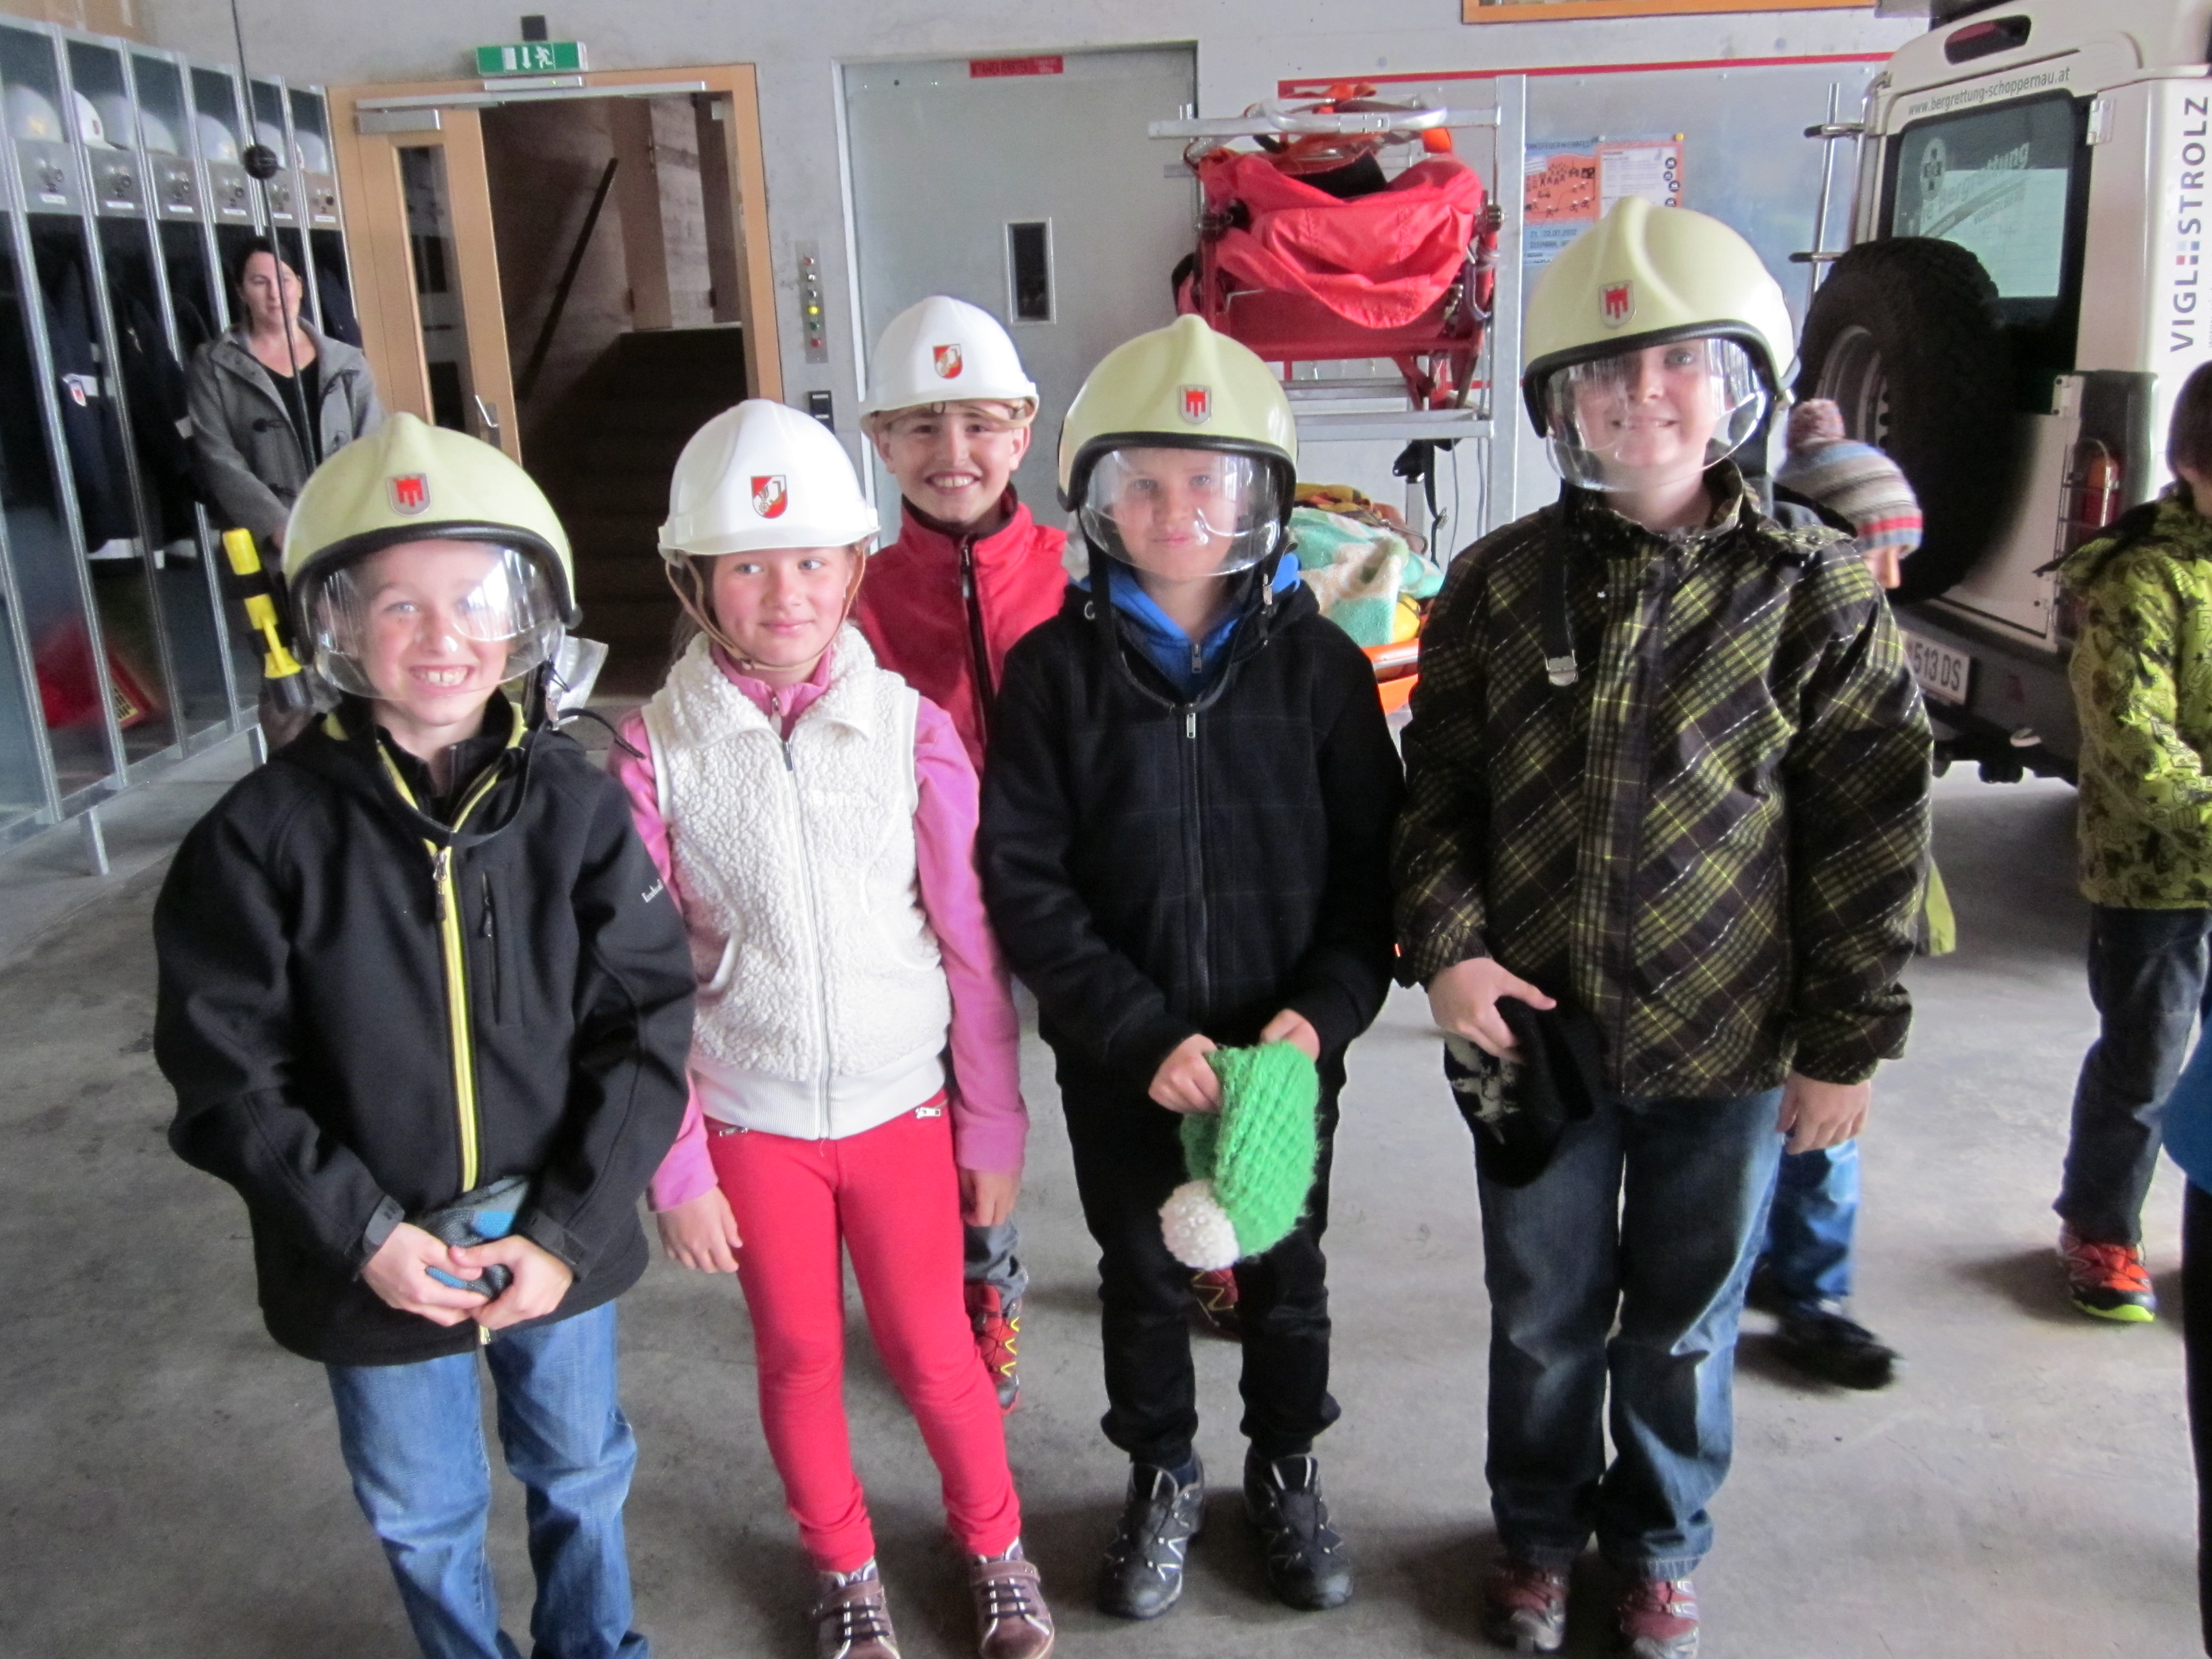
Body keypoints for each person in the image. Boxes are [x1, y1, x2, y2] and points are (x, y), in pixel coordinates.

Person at [1394, 197, 1930, 1659]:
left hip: (1731, 1043)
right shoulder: (1498, 585)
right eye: (1606, 372)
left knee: (1683, 1324)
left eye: (1679, 362)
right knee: (1540, 1311)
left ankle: (1656, 1544)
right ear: (1558, 402)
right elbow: (1435, 792)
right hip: (1527, 1039)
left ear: (1740, 381)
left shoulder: (1815, 591)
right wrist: (1446, 949)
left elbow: (1870, 831)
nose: (1643, 394)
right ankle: (1535, 1533)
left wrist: (1844, 1041)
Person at [153, 412, 695, 1659]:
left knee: (582, 1471)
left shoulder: (576, 808)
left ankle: (595, 1647)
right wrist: (361, 1234)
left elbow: (644, 1022)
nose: (442, 637)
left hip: (551, 1240)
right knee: (421, 1510)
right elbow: (227, 1074)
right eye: (396, 605)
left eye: (474, 600)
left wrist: (566, 1231)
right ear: (333, 624)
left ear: (526, 616)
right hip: (366, 1259)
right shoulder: (259, 836)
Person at [979, 315, 1402, 1620]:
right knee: (1141, 1271)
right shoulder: (1051, 675)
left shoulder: (1320, 671)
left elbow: (1371, 875)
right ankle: (1160, 1471)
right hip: (1125, 1058)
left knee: (1286, 1269)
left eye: (1208, 480)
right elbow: (1026, 882)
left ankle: (1286, 1466)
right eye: (1144, 482)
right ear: (1095, 501)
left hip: (1281, 1055)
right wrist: (1132, 1030)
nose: (1177, 511)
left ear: (1260, 496)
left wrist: (1319, 1018)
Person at [632, 399, 1054, 1659]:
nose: (786, 595)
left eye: (813, 560)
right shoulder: (654, 756)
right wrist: (677, 1161)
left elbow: (972, 948)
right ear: (693, 578)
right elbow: (635, 981)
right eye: (748, 566)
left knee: (937, 1353)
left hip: (899, 1109)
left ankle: (995, 1544)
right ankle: (844, 1565)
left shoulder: (912, 732)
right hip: (749, 1118)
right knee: (802, 1357)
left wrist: (991, 1120)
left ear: (856, 565)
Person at [852, 295, 1068, 1410]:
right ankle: (983, 1282)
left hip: (1071, 883)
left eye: (981, 424)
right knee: (949, 1104)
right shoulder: (856, 595)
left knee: (1131, 1074)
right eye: (921, 427)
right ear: (879, 442)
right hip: (929, 901)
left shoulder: (1080, 575)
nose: (953, 451)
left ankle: (1187, 1244)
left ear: (1023, 432)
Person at [1729, 394, 1929, 1390]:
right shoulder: (1774, 637)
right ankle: (1737, 1276)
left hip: (1831, 965)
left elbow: (1881, 823)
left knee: (1827, 1135)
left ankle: (1812, 1294)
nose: (1892, 576)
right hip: (1749, 960)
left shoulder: (1868, 647)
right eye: (1876, 550)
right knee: (1746, 1140)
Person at [2052, 359, 2212, 1322]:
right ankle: (2102, 1228)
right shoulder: (2142, 576)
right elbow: (2133, 740)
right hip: (2154, 876)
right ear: (2192, 463)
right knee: (2145, 1061)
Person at [187, 234, 382, 552]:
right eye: (259, 282)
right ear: (241, 291)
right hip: (262, 542)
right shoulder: (214, 364)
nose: (275, 294)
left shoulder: (347, 361)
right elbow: (217, 455)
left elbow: (372, 442)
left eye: (284, 280)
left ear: (300, 286)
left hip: (348, 528)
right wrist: (276, 526)